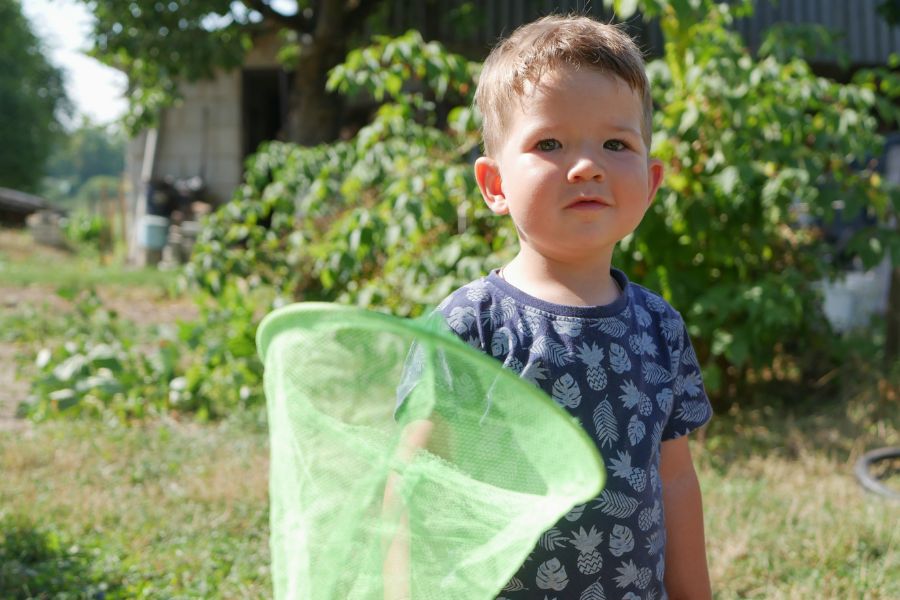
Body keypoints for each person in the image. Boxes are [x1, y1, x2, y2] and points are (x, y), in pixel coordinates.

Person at [431, 14, 713, 600]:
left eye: (616, 144)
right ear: (495, 184)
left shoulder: (660, 326)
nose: (587, 166)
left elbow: (676, 479)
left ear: (651, 182)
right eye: (549, 143)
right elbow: (419, 484)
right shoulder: (471, 325)